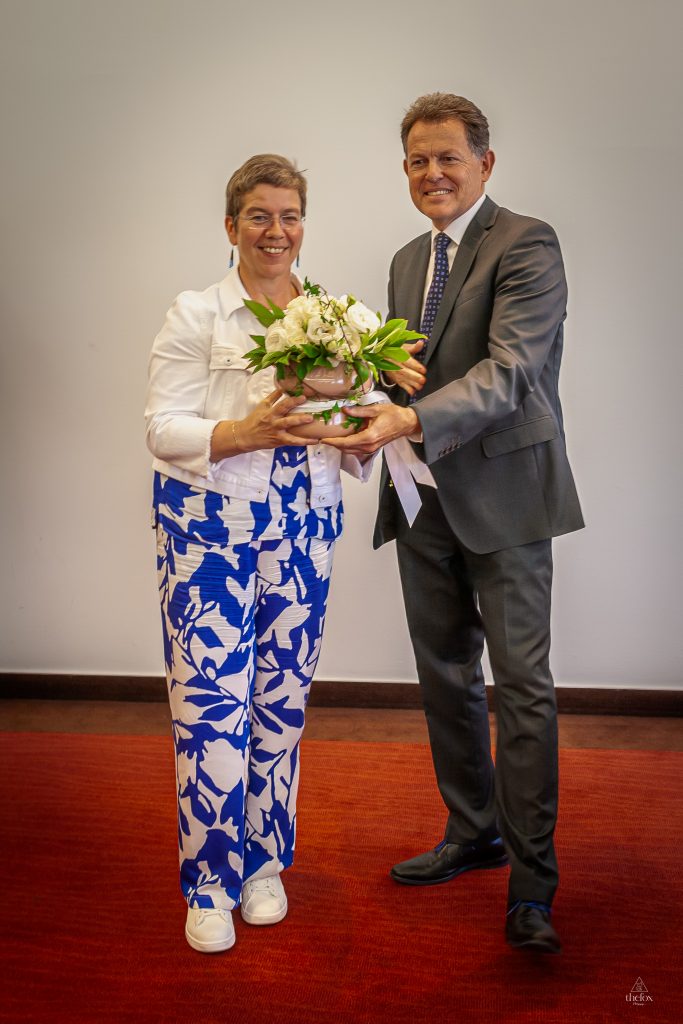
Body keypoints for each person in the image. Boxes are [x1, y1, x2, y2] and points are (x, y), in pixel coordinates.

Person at [324, 94, 584, 953]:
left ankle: (533, 884)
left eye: (446, 158)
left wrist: (409, 418)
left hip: (506, 502)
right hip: (420, 501)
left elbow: (512, 373)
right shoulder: (406, 261)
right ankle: (472, 833)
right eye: (414, 162)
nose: (430, 174)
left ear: (484, 164)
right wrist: (361, 415)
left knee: (522, 690)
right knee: (443, 678)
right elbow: (406, 377)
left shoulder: (526, 243)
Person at [145, 154, 373, 953]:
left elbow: (360, 436)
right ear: (231, 226)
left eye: (289, 215)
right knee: (210, 709)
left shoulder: (341, 317)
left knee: (279, 707)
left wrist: (358, 429)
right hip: (209, 538)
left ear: (303, 224)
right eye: (259, 216)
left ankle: (262, 865)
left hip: (304, 535)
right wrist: (243, 432)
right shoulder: (197, 314)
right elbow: (160, 427)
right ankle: (206, 882)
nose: (276, 231)